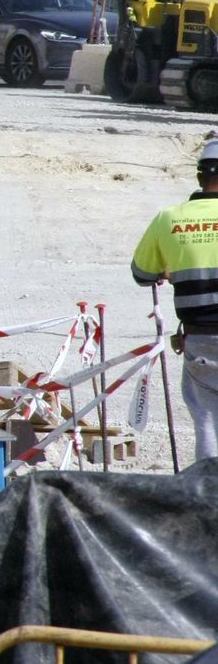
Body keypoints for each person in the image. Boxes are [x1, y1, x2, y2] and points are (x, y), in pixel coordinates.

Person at [131, 138, 218, 460]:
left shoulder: (170, 219)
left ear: (200, 177)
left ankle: (210, 501)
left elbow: (142, 273)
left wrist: (169, 270)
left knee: (208, 421)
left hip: (202, 339)